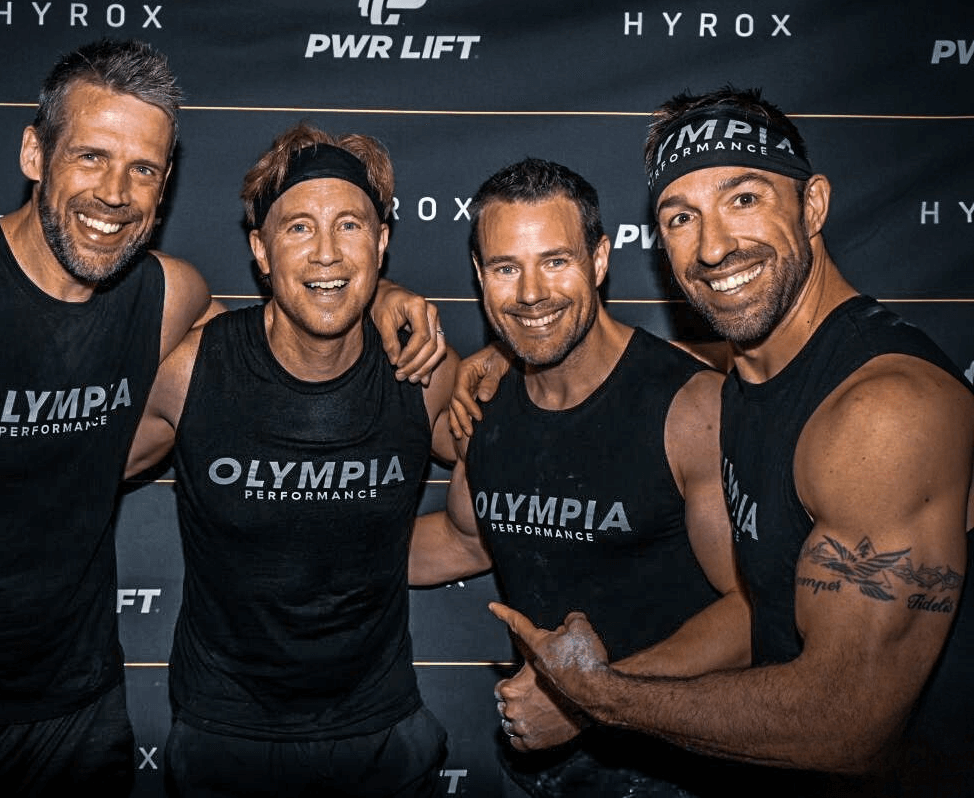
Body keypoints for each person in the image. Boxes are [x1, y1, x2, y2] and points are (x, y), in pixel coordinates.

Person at [0, 39, 442, 798]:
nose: (115, 193)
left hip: (85, 721)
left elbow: (282, 349)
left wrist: (379, 299)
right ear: (35, 152)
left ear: (165, 187)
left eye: (144, 169)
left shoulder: (169, 297)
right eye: (91, 156)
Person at [482, 88, 974, 797]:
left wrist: (600, 697)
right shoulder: (748, 376)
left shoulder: (883, 411)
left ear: (812, 207)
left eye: (743, 199)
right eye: (681, 216)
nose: (712, 246)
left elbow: (851, 725)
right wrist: (511, 349)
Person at [121, 121, 458, 798]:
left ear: (384, 241)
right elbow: (48, 483)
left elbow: (537, 458)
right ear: (261, 251)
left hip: (382, 733)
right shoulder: (192, 372)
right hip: (225, 734)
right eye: (299, 227)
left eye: (351, 226)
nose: (328, 253)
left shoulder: (425, 371)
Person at [408, 158, 749, 797]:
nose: (531, 293)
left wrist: (588, 698)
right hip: (536, 763)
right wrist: (313, 547)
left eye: (556, 261)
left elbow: (754, 606)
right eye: (507, 268)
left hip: (676, 766)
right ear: (481, 279)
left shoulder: (689, 406)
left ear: (599, 260)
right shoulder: (486, 401)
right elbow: (465, 540)